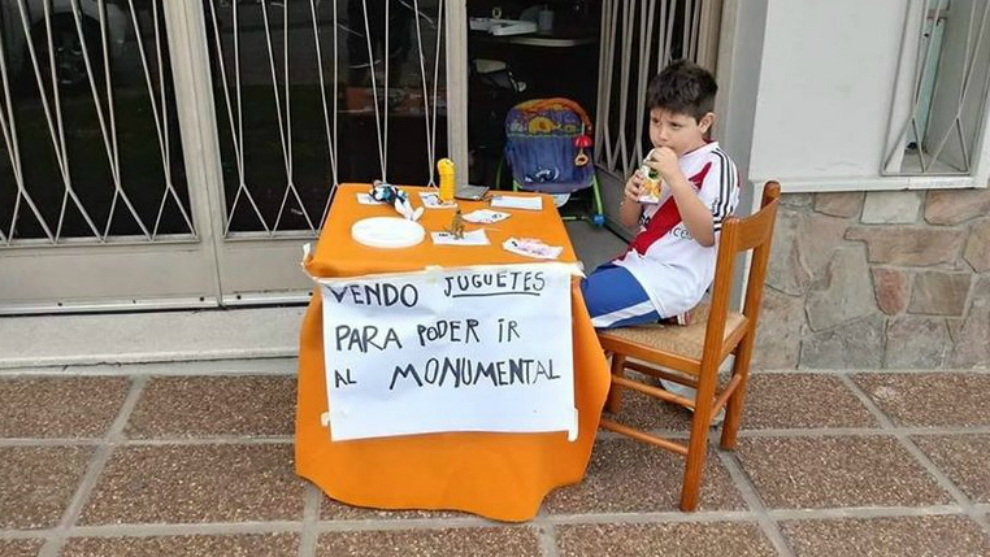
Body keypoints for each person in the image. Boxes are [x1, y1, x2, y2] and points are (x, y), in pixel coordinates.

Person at [581, 60, 740, 330]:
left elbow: (707, 236)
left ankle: (671, 309)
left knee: (576, 308)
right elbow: (630, 221)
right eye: (655, 121)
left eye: (675, 125)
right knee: (572, 291)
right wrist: (631, 196)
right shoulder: (655, 158)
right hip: (638, 262)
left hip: (675, 278)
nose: (661, 135)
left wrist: (676, 178)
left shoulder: (717, 166)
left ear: (704, 123)